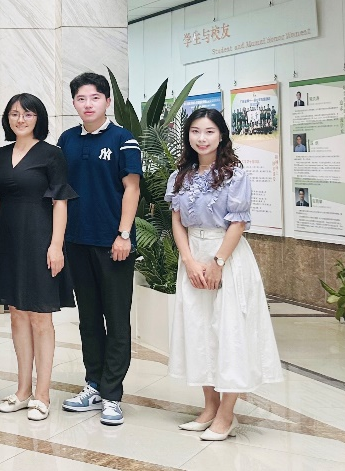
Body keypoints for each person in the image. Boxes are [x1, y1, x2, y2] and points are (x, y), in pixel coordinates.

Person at [167, 107, 282, 441]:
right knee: (199, 330)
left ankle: (227, 414)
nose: (202, 138)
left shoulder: (234, 175)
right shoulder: (180, 176)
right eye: (195, 131)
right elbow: (177, 220)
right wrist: (189, 260)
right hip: (193, 256)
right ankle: (209, 407)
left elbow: (238, 222)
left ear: (221, 136)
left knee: (230, 332)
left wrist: (218, 262)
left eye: (209, 132)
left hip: (226, 257)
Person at [56, 72, 141, 426]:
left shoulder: (123, 140)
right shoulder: (66, 140)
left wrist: (123, 235)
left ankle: (112, 394)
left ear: (107, 101)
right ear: (74, 103)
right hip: (77, 242)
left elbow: (132, 189)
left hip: (113, 244)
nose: (88, 104)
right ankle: (93, 384)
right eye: (81, 98)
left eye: (94, 98)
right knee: (89, 319)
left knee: (116, 319)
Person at [0, 94, 76, 422]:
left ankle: (43, 394)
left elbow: (60, 201)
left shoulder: (52, 154)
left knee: (40, 317)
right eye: (14, 114)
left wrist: (56, 245)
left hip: (40, 238)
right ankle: (23, 390)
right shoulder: (0, 155)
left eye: (27, 114)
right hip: (9, 240)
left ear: (38, 118)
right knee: (17, 315)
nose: (20, 119)